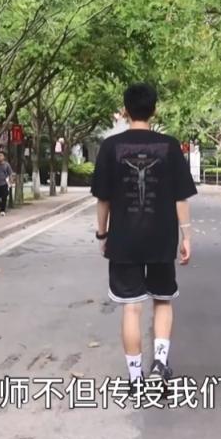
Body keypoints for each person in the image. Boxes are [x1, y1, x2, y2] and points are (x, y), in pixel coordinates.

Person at [91, 82, 197, 389]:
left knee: (131, 306)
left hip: (124, 239)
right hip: (162, 238)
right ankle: (160, 364)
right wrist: (186, 237)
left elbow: (103, 200)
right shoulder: (170, 146)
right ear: (155, 110)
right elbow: (180, 198)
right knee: (162, 300)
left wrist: (102, 235)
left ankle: (136, 377)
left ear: (125, 111)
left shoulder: (110, 147)